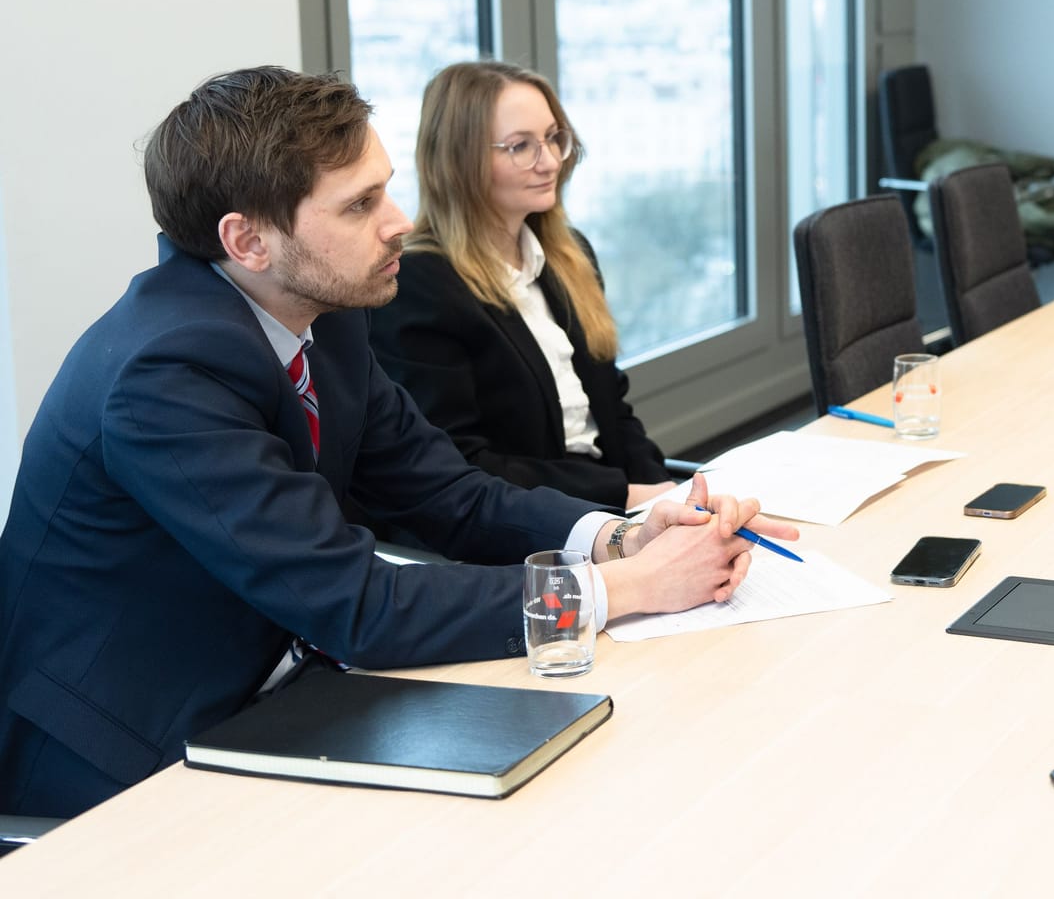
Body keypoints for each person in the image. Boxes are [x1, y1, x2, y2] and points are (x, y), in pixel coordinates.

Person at [0, 67, 798, 818]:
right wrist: (632, 590)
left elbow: (446, 492)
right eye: (359, 205)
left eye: (386, 189)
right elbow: (354, 605)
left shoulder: (327, 314)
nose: (400, 222)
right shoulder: (165, 375)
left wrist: (619, 540)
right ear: (247, 241)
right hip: (122, 763)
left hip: (276, 700)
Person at [370, 62, 671, 513]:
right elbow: (461, 465)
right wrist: (626, 497)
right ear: (460, 160)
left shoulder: (569, 254)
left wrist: (668, 496)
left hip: (618, 506)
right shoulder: (419, 285)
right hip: (529, 526)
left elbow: (614, 409)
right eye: (521, 146)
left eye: (553, 137)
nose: (549, 160)